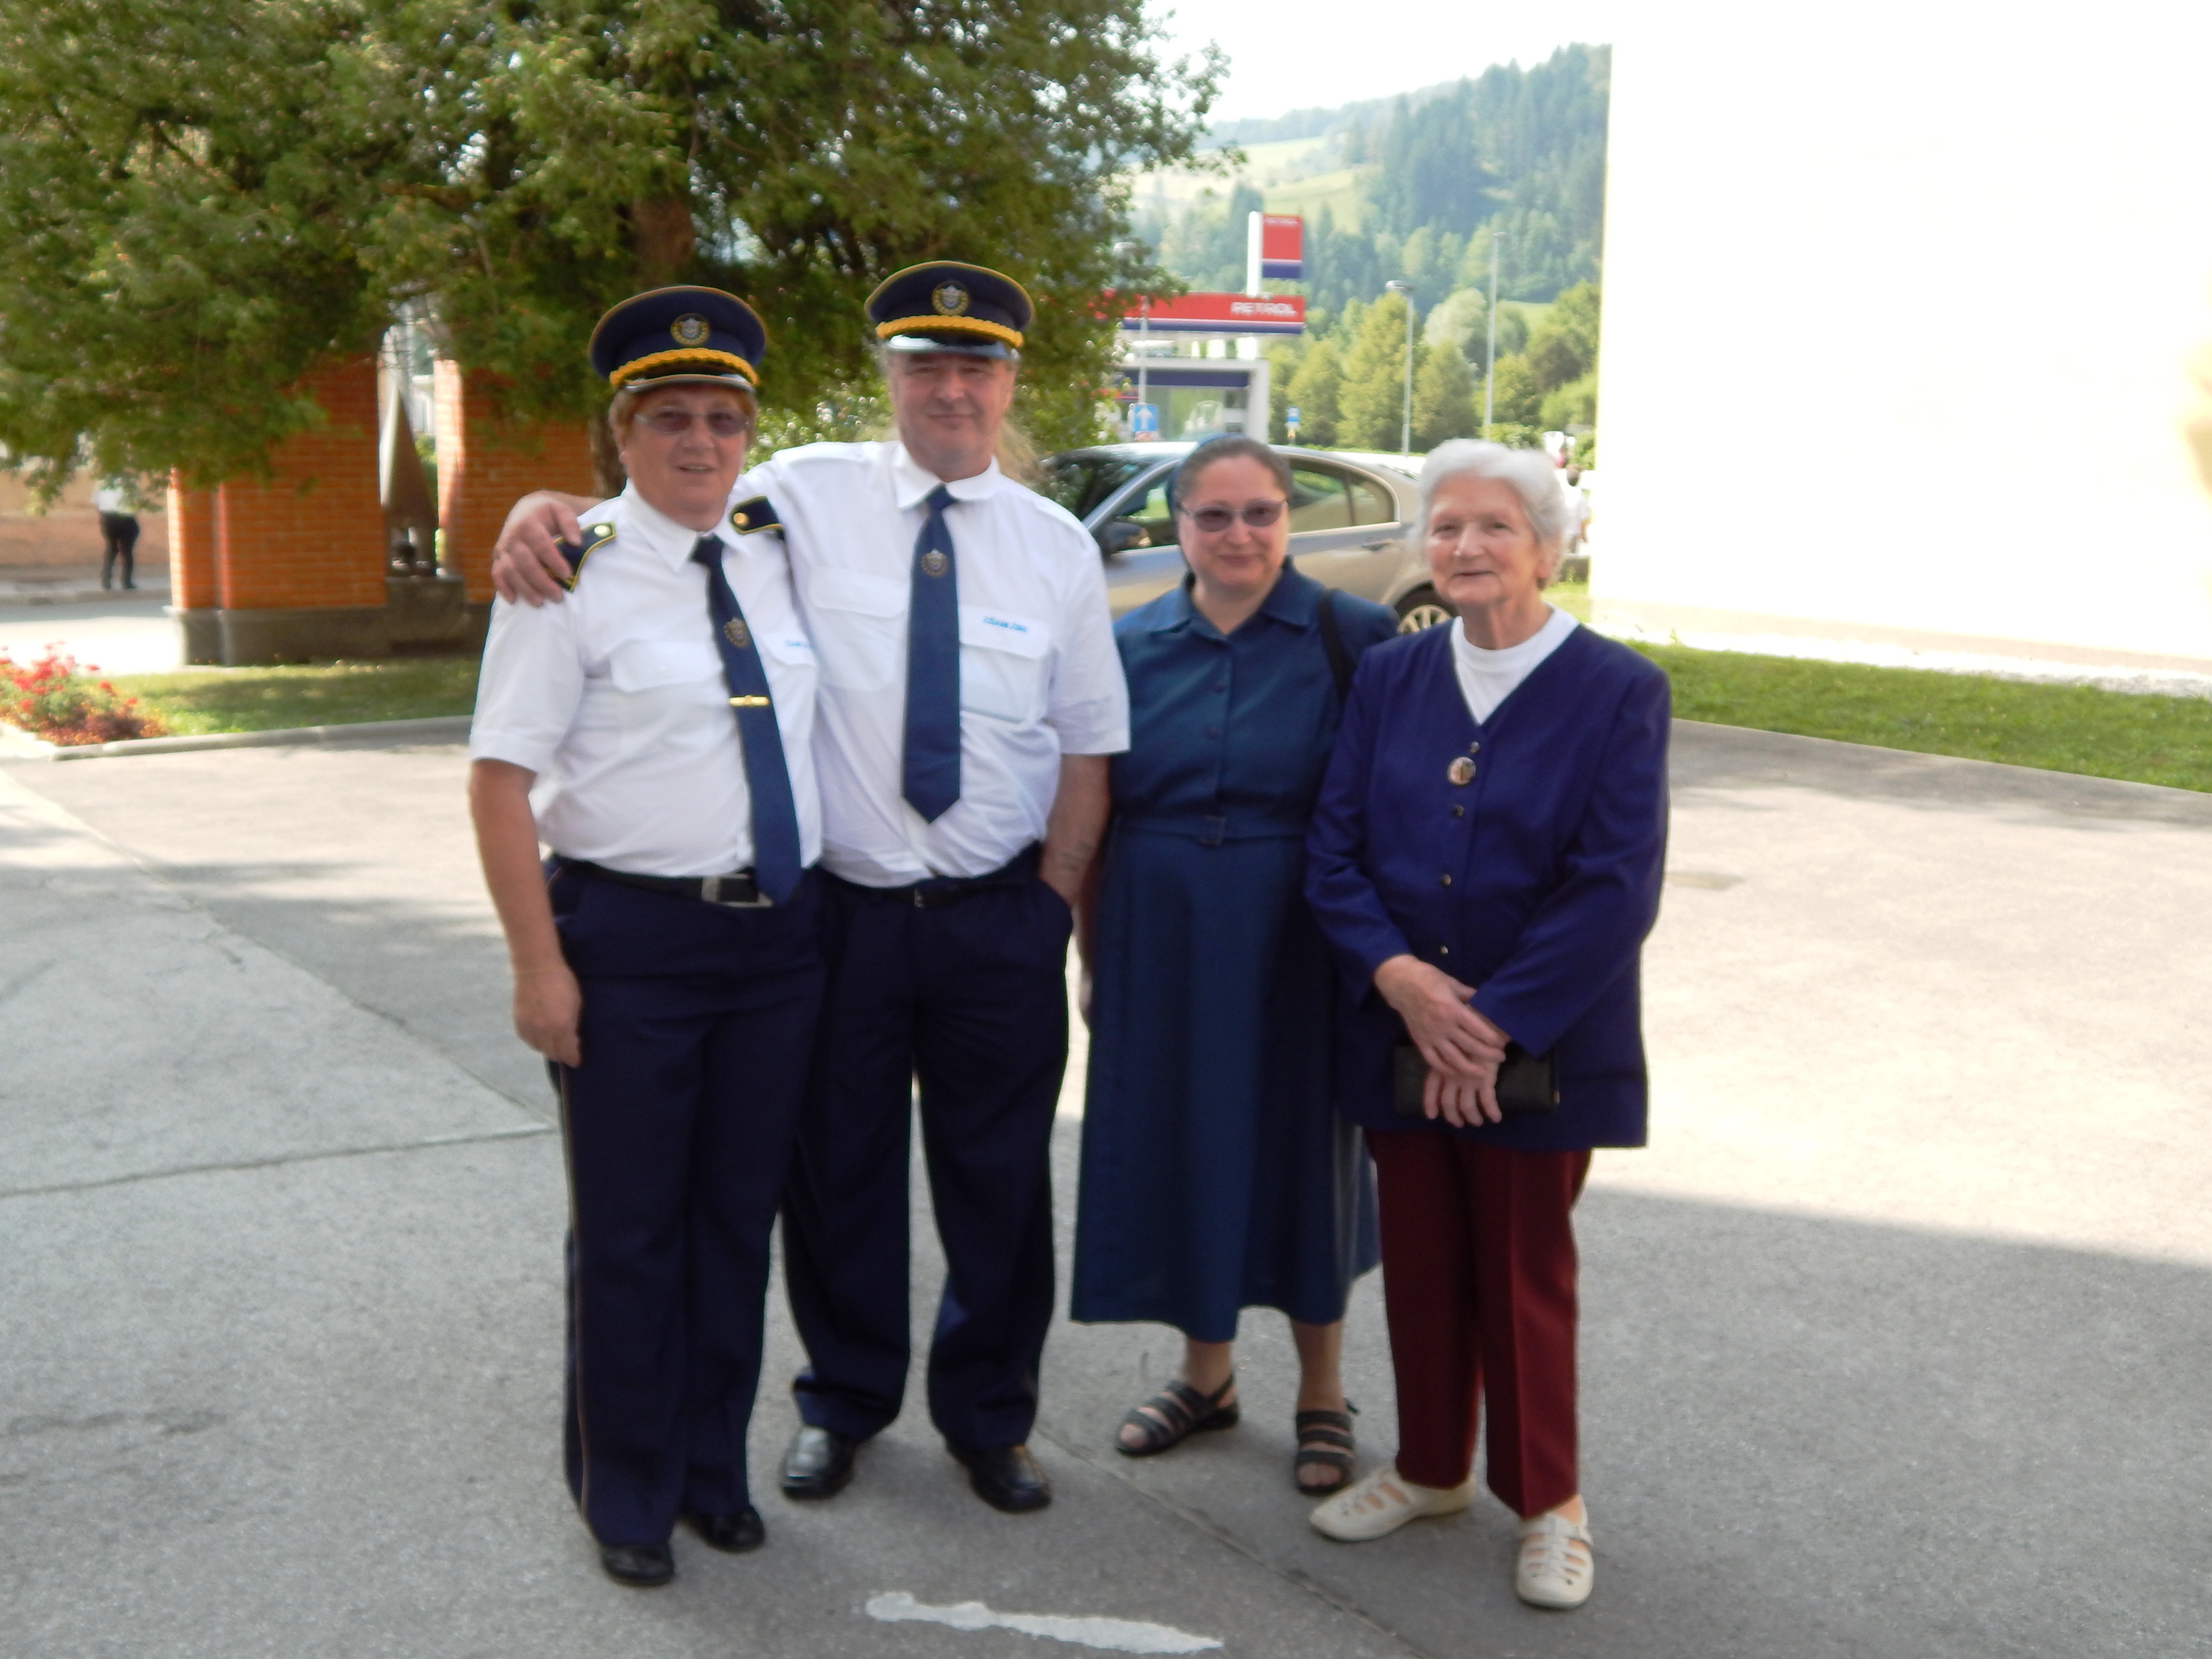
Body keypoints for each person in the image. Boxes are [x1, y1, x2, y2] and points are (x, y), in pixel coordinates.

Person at [488, 262, 1127, 1517]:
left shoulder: (1057, 549)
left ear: (1010, 384)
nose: (951, 390)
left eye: (976, 368)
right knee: (834, 1180)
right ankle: (844, 1401)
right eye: (924, 366)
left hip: (995, 916)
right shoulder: (799, 497)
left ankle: (990, 1417)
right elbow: (656, 500)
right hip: (840, 919)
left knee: (1001, 1185)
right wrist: (537, 507)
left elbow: (1086, 749)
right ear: (889, 377)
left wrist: (1050, 904)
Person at [467, 287, 826, 1589]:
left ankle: (711, 1471)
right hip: (629, 941)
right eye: (670, 417)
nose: (700, 441)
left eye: (724, 418)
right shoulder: (566, 572)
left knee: (735, 1222)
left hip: (777, 945)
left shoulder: (780, 547)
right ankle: (623, 1489)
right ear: (621, 433)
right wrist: (538, 966)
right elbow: (499, 783)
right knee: (629, 1231)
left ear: (749, 435)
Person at [1301, 439, 1669, 1611]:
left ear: (1549, 550)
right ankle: (1429, 1468)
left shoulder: (1617, 689)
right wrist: (1401, 979)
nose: (1464, 546)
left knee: (1521, 1276)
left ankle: (1550, 1502)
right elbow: (1335, 850)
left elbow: (1615, 885)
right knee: (1419, 1262)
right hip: (1400, 1026)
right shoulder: (1391, 677)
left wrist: (1491, 1026)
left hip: (1541, 1050)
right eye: (1446, 526)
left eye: (1494, 526)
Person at [1073, 435, 1392, 1495]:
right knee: (1183, 1140)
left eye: (1260, 512)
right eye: (1213, 515)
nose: (1238, 534)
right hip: (1158, 927)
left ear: (1288, 519)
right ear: (1178, 526)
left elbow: (1390, 815)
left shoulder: (1354, 635)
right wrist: (1090, 954)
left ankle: (1322, 1391)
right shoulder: (1126, 645)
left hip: (1300, 929)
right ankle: (1205, 1376)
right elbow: (1094, 813)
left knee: (1307, 1150)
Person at [94, 481, 139, 590]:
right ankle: (126, 582)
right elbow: (136, 501)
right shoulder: (129, 482)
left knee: (112, 549)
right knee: (127, 551)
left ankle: (106, 581)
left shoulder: (103, 482)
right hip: (126, 517)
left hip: (108, 517)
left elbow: (96, 502)